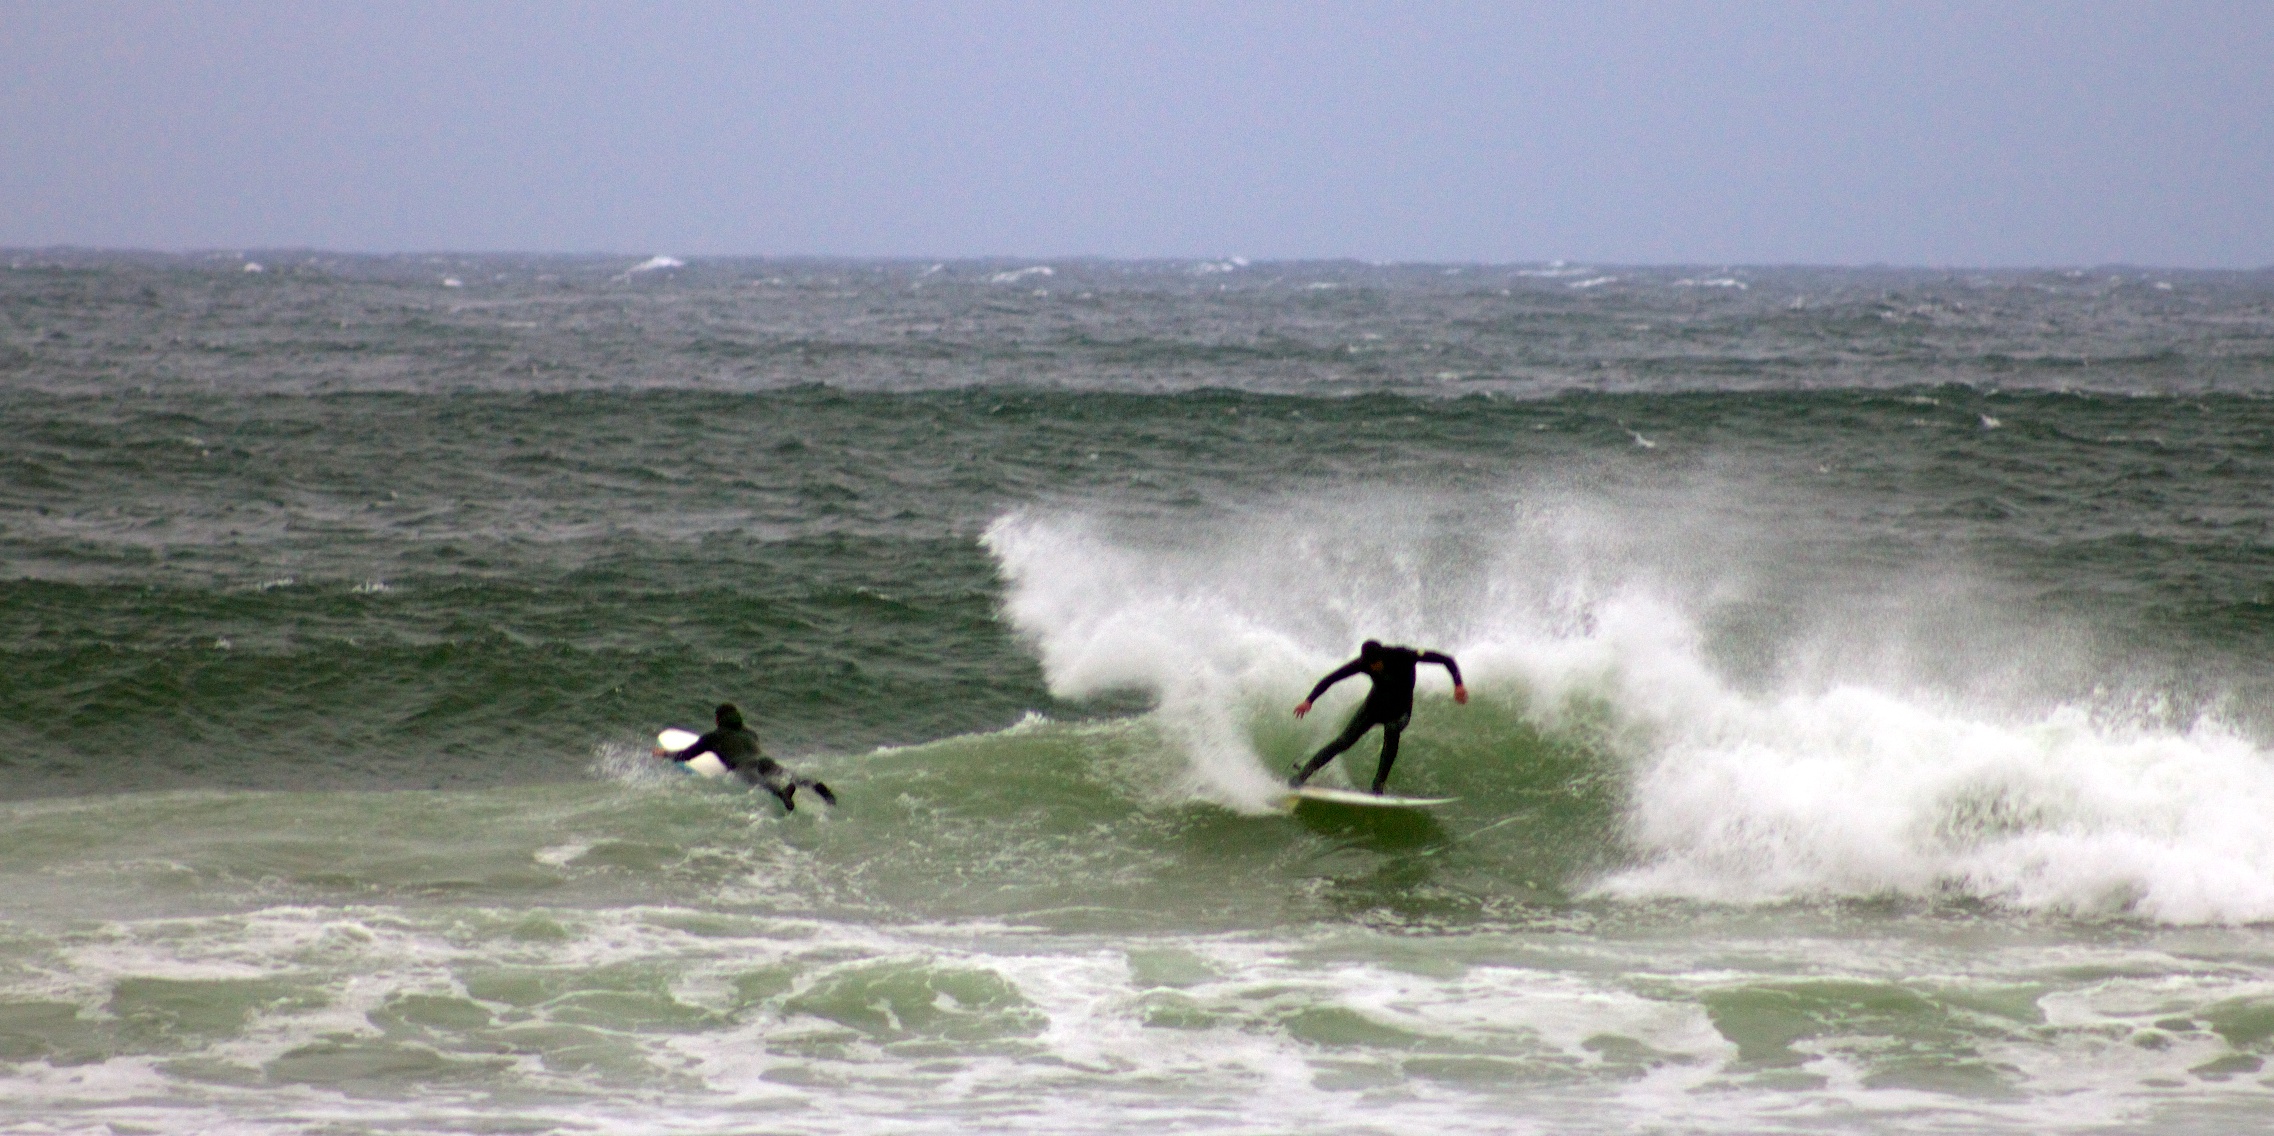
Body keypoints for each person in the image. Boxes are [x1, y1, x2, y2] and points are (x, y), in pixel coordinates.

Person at [1290, 640, 1467, 795]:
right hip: (1373, 707)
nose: (1373, 667)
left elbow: (1446, 660)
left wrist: (1458, 685)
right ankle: (1304, 774)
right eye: (1369, 664)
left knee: (1392, 729)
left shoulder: (1404, 655)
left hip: (1400, 711)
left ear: (1381, 656)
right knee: (1344, 741)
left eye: (1375, 663)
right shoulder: (1364, 663)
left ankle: (1378, 784)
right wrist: (1309, 701)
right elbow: (1332, 679)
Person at [654, 702, 837, 812]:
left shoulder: (713, 737)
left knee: (759, 781)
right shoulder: (750, 733)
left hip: (743, 766)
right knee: (790, 775)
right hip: (764, 761)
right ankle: (820, 789)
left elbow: (687, 755)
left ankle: (782, 794)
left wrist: (665, 754)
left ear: (718, 720)